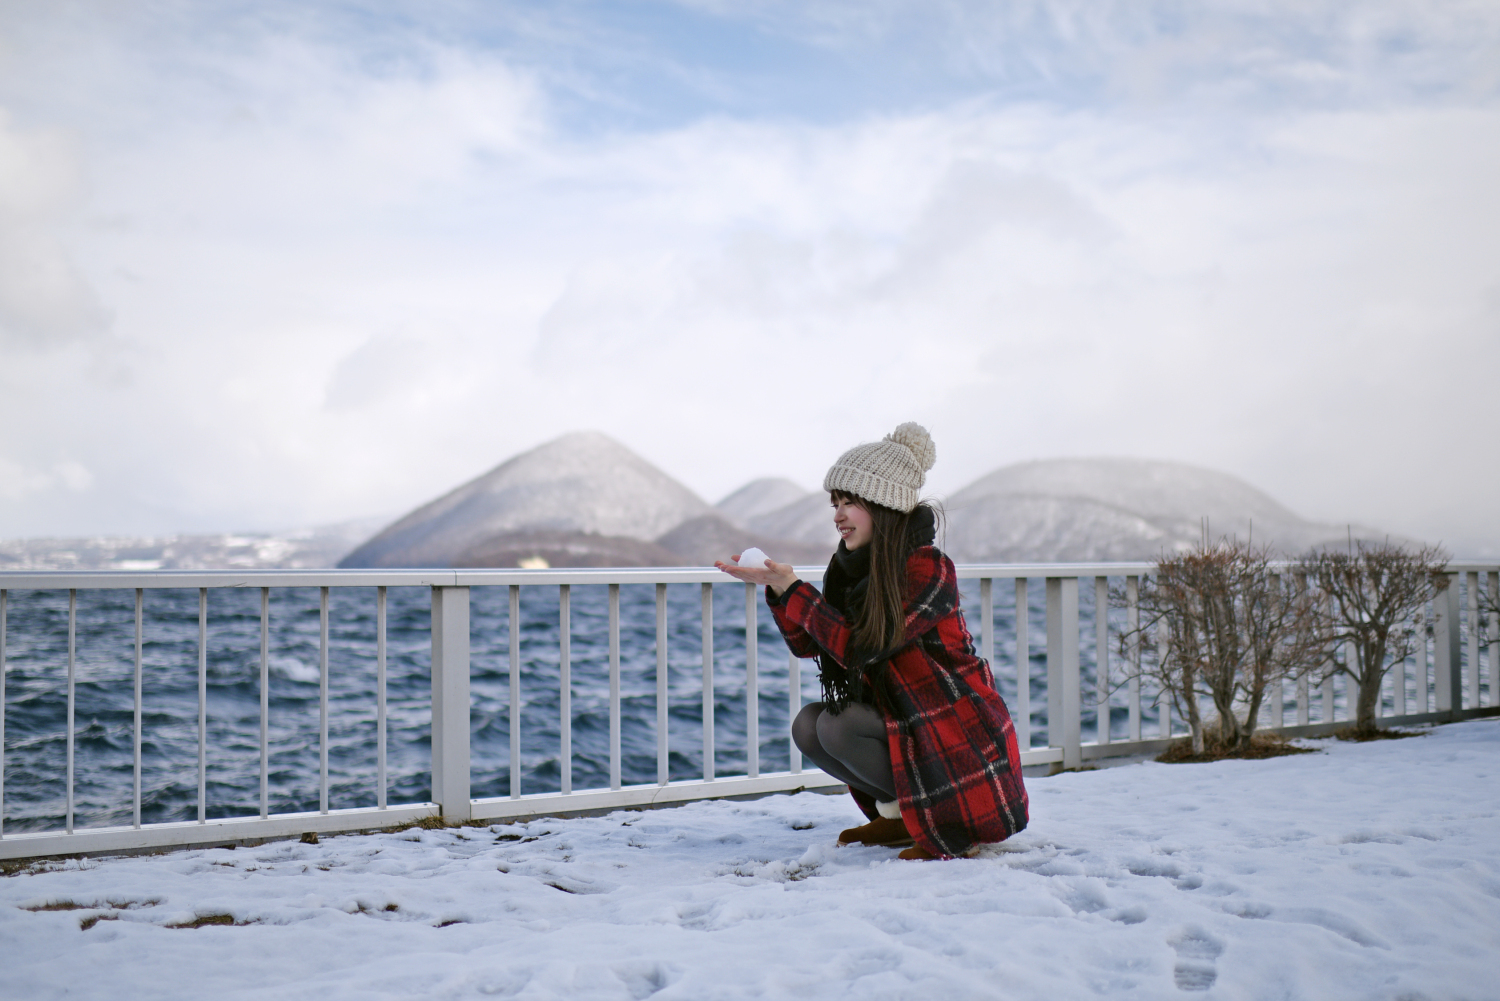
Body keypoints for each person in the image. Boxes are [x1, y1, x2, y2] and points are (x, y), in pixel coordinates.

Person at [716, 422, 1028, 860]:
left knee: (836, 725)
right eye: (836, 504)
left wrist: (795, 589)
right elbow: (812, 646)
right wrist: (777, 588)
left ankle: (951, 826)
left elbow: (861, 646)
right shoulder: (852, 571)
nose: (838, 515)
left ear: (884, 506)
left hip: (954, 734)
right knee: (809, 725)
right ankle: (901, 819)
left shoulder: (928, 568)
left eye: (850, 503)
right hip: (907, 721)